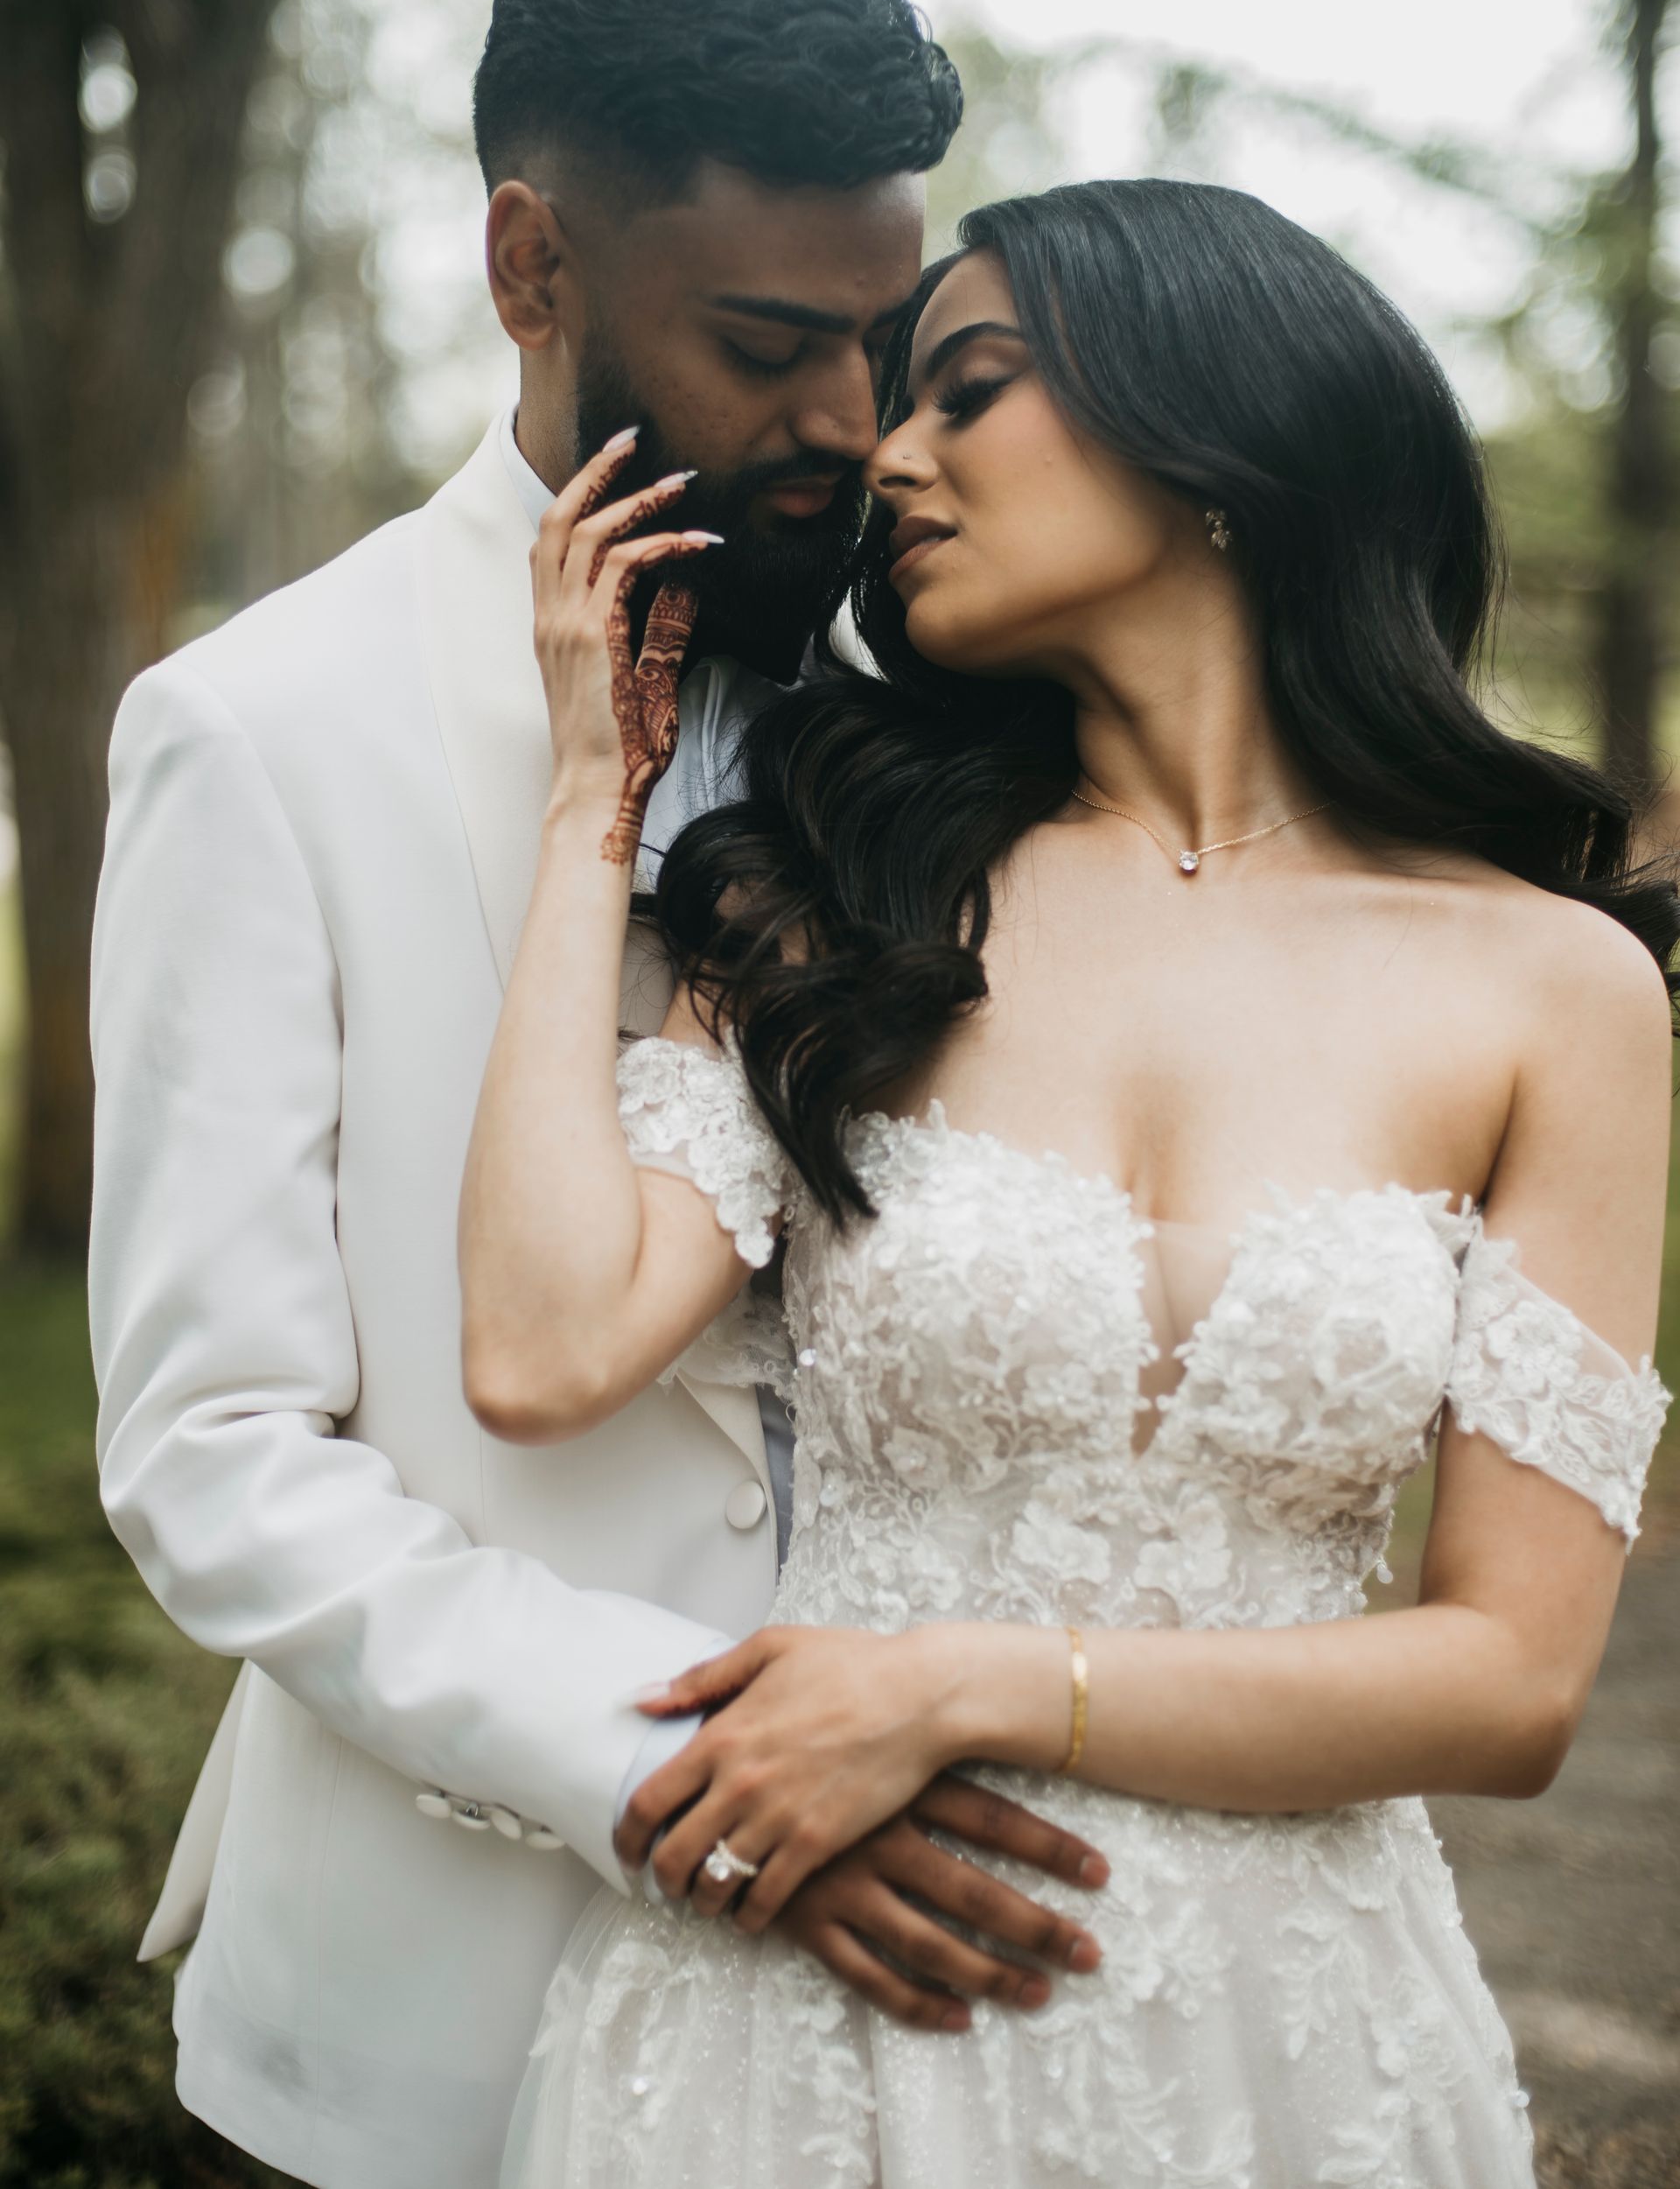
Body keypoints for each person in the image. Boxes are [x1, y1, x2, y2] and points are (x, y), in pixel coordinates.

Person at [463, 178, 1676, 2189]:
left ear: (1218, 444)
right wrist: (597, 801)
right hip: (807, 2027)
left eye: (970, 388)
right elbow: (539, 1346)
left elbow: (1515, 1681)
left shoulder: (1557, 990)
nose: (891, 454)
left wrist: (970, 1684)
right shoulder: (840, 891)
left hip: (1294, 2044)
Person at [88, 0, 1106, 2189]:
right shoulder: (260, 726)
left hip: (936, 2029)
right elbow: (214, 1448)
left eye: (882, 345)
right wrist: (672, 1773)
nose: (844, 424)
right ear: (531, 264)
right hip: (426, 2019)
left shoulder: (947, 697)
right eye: (766, 345)